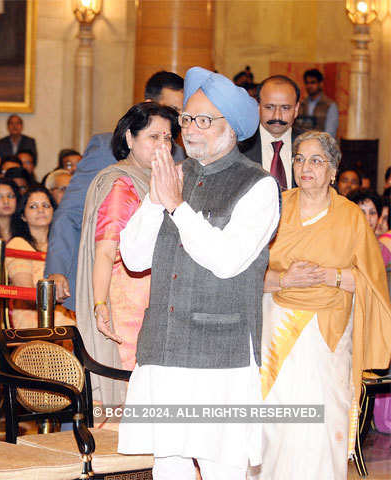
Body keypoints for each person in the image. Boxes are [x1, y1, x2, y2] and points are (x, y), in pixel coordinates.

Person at [118, 67, 280, 479]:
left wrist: (177, 207)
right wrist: (158, 200)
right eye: (187, 119)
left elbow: (228, 261)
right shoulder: (175, 176)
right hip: (163, 351)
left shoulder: (258, 186)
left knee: (222, 469)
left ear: (234, 129)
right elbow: (134, 258)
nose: (190, 130)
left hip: (219, 356)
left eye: (205, 120)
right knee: (167, 468)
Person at [258, 131, 391, 479]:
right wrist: (286, 280)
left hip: (328, 331)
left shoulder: (350, 218)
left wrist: (328, 276)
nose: (306, 167)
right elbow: (249, 272)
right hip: (275, 325)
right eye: (300, 158)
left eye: (316, 160)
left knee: (320, 419)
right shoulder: (275, 208)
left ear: (333, 170)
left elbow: (370, 283)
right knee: (275, 419)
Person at [45, 71, 186, 312]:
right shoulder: (105, 149)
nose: (175, 118)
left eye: (180, 113)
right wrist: (57, 270)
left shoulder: (179, 158)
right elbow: (70, 213)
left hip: (160, 288)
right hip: (110, 282)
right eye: (171, 109)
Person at [76, 102, 179, 405]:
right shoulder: (122, 184)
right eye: (153, 137)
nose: (163, 145)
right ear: (130, 139)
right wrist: (99, 304)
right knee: (132, 389)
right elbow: (106, 252)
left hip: (159, 298)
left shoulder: (165, 180)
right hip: (129, 305)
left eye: (168, 138)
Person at [5, 186, 75, 328]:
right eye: (33, 206)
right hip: (35, 323)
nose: (41, 210)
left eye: (46, 205)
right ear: (23, 215)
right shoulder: (18, 244)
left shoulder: (64, 245)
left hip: (70, 321)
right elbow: (25, 291)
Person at [240, 75, 305, 189]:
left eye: (285, 108)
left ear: (296, 109)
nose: (277, 116)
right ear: (258, 106)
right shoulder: (239, 146)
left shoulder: (310, 144)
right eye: (269, 107)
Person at [298, 68, 339, 138]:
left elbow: (329, 134)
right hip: (302, 145)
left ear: (320, 84)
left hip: (322, 146)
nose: (309, 86)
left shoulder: (330, 105)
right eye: (307, 83)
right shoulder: (301, 104)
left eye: (313, 82)